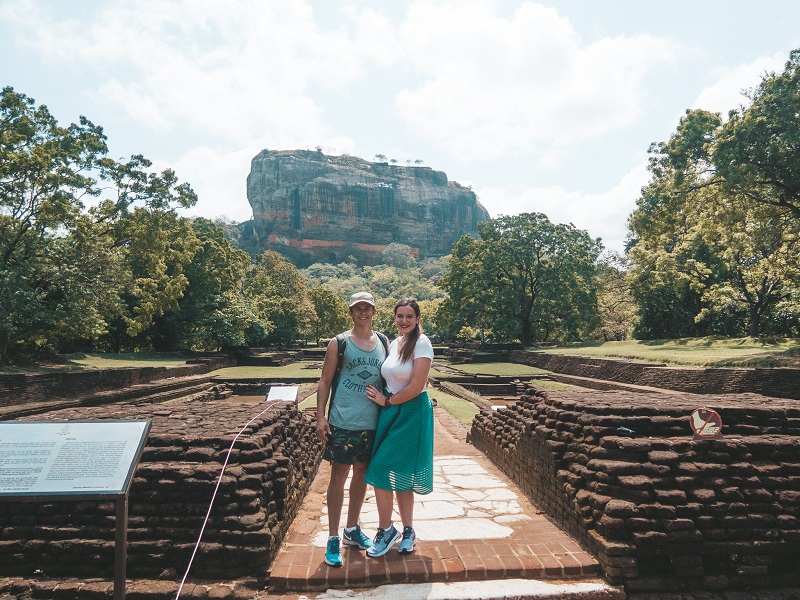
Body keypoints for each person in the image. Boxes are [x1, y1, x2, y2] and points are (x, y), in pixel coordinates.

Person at [316, 291, 389, 567]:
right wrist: (320, 417)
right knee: (338, 476)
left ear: (373, 311)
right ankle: (333, 536)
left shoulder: (383, 341)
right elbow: (324, 381)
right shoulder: (340, 343)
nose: (363, 313)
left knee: (362, 475)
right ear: (350, 312)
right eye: (358, 309)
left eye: (367, 308)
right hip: (344, 421)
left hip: (372, 422)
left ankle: (352, 529)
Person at [363, 297, 434, 557]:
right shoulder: (395, 344)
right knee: (398, 475)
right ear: (395, 317)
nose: (404, 321)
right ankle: (408, 531)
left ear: (417, 319)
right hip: (391, 411)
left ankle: (386, 529)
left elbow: (416, 386)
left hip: (411, 411)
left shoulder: (422, 343)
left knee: (381, 468)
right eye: (400, 316)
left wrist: (387, 401)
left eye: (409, 316)